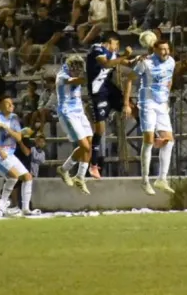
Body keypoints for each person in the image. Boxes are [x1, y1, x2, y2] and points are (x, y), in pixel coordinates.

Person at [124, 39, 176, 195]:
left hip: (162, 104)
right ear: (155, 49)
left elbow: (169, 79)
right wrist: (126, 104)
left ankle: (162, 179)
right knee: (148, 140)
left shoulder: (171, 62)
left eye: (167, 49)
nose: (165, 52)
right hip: (147, 102)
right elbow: (129, 80)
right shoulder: (145, 62)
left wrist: (166, 96)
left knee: (169, 141)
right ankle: (145, 180)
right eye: (162, 49)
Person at [85, 32, 130, 179]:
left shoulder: (112, 53)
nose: (117, 47)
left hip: (108, 88)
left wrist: (135, 58)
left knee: (130, 106)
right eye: (116, 44)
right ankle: (93, 165)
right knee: (100, 129)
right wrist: (124, 56)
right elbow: (105, 63)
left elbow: (125, 63)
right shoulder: (96, 49)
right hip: (98, 92)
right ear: (110, 41)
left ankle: (154, 137)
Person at [0, 97, 35, 216]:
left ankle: (25, 209)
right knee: (14, 176)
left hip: (9, 154)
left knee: (27, 177)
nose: (11, 106)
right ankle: (2, 204)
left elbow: (18, 137)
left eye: (12, 103)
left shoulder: (14, 118)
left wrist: (6, 128)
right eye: (8, 103)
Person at [54, 55, 94, 195]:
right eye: (75, 70)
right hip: (67, 113)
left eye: (79, 70)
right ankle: (64, 169)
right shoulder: (61, 76)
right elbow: (74, 80)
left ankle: (80, 177)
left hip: (79, 112)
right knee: (84, 146)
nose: (77, 72)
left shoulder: (77, 73)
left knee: (89, 143)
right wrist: (93, 75)